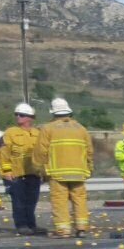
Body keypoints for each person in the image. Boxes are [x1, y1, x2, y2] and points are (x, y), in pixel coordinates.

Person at [34, 98, 92, 237]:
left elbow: (41, 152)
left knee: (60, 200)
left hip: (57, 172)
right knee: (79, 199)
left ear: (53, 112)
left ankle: (63, 229)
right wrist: (89, 167)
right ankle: (82, 227)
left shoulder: (48, 128)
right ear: (68, 112)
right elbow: (89, 151)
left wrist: (41, 170)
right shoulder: (81, 128)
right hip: (79, 172)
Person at [0, 103, 42, 235]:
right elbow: (3, 153)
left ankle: (31, 225)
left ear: (30, 117)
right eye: (16, 114)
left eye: (21, 115)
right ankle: (22, 225)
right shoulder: (10, 132)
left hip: (33, 173)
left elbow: (42, 153)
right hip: (16, 174)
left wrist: (44, 171)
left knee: (32, 200)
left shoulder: (37, 133)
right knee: (18, 201)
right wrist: (6, 171)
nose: (18, 117)